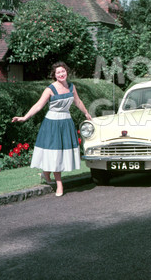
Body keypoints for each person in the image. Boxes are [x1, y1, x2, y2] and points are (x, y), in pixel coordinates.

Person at [12, 61, 92, 196]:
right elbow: (38, 106)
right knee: (54, 153)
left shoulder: (72, 87)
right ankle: (59, 184)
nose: (61, 74)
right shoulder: (50, 89)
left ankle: (46, 173)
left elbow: (78, 102)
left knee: (59, 153)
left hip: (66, 122)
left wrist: (86, 113)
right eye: (58, 72)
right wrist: (24, 117)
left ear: (67, 72)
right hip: (52, 124)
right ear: (54, 75)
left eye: (63, 71)